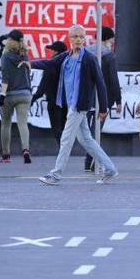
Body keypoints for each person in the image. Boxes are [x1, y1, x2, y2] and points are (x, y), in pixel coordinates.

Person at [30, 24, 118, 185]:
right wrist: (29, 63)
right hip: (71, 104)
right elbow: (49, 63)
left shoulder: (89, 58)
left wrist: (104, 107)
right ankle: (110, 168)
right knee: (86, 140)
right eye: (75, 36)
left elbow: (100, 82)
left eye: (81, 37)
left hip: (79, 105)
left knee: (66, 139)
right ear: (69, 38)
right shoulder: (65, 56)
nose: (78, 39)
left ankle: (56, 174)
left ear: (84, 39)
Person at [84, 26, 122, 172]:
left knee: (85, 131)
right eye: (112, 38)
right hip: (103, 98)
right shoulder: (110, 56)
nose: (113, 41)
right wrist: (118, 100)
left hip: (86, 97)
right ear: (107, 38)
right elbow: (113, 80)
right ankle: (90, 160)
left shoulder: (85, 52)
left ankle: (89, 160)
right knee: (96, 131)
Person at [0, 29, 32, 164]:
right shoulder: (25, 55)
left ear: (11, 41)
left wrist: (2, 96)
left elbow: (5, 79)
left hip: (9, 94)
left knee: (5, 124)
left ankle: (5, 155)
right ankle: (26, 150)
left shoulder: (5, 56)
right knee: (23, 123)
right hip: (25, 94)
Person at [31, 40, 68, 147]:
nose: (50, 51)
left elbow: (44, 83)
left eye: (51, 49)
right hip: (66, 101)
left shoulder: (52, 64)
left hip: (54, 100)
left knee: (56, 127)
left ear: (56, 52)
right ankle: (65, 147)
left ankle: (63, 148)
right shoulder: (69, 64)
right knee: (63, 126)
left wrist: (35, 97)